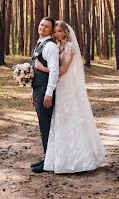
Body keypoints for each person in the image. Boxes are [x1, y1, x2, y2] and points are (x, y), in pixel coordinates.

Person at [33, 21, 106, 174]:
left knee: (71, 121)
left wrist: (41, 68)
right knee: (58, 123)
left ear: (65, 33)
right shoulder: (57, 46)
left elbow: (63, 69)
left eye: (59, 31)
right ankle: (55, 158)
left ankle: (79, 158)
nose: (56, 34)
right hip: (59, 87)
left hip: (67, 87)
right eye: (56, 31)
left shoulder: (69, 47)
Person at [30, 17, 60, 173]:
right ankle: (47, 157)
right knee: (43, 125)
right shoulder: (40, 44)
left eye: (47, 26)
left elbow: (54, 71)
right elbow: (36, 70)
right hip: (38, 89)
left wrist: (48, 94)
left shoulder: (51, 47)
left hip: (45, 91)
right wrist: (32, 90)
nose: (42, 27)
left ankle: (49, 161)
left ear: (51, 30)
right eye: (41, 24)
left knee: (47, 125)